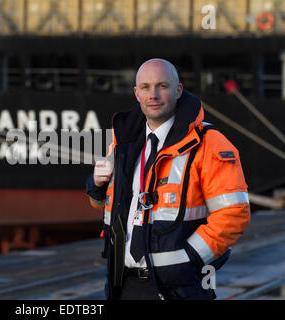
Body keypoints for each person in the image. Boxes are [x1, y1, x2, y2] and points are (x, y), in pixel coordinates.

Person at [86, 58, 250, 300]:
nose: (153, 94)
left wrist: (189, 258)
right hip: (123, 285)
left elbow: (234, 214)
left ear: (178, 90)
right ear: (136, 93)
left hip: (180, 288)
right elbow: (107, 206)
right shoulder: (124, 143)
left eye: (162, 85)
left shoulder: (208, 143)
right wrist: (97, 186)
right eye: (145, 87)